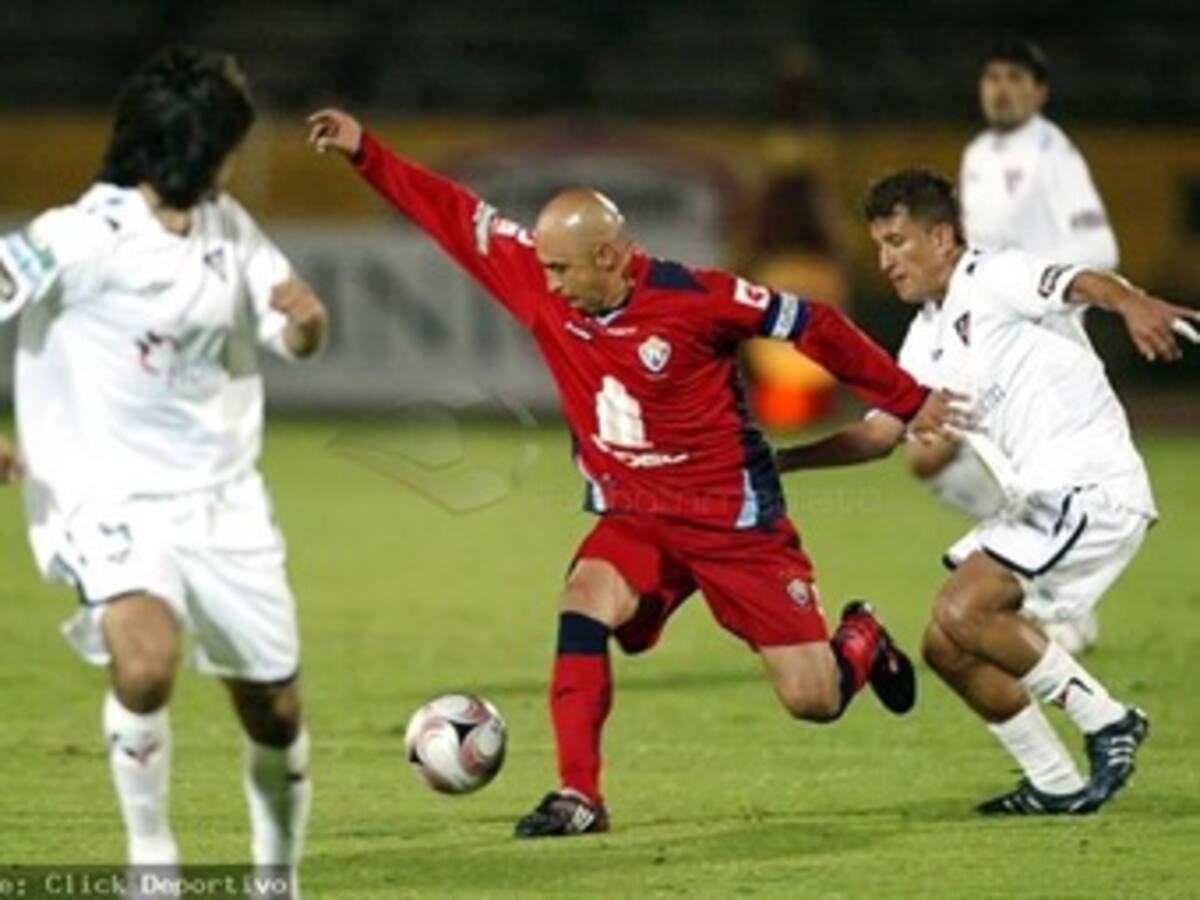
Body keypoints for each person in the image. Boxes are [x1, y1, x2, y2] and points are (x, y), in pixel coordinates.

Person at [307, 108, 948, 838]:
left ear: (609, 257)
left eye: (560, 268)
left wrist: (906, 398)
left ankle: (861, 636)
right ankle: (580, 795)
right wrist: (365, 151)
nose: (544, 283)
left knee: (814, 699)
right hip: (637, 515)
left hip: (733, 523)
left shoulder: (699, 299)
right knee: (584, 600)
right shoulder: (539, 279)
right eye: (541, 265)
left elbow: (816, 327)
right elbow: (453, 213)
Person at [0, 48, 328, 891]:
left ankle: (275, 874)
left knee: (275, 708)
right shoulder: (77, 236)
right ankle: (152, 860)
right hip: (102, 491)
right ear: (194, 145)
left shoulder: (229, 231)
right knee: (144, 665)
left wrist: (305, 323)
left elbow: (291, 326)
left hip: (223, 501)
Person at [777, 169, 1199, 814]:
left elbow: (1078, 282)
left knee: (963, 611)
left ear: (942, 237)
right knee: (944, 647)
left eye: (898, 241)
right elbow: (879, 433)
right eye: (879, 246)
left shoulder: (995, 276)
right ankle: (1054, 780)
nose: (886, 261)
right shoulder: (925, 337)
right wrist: (779, 462)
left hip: (1090, 484)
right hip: (1039, 501)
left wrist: (1133, 302)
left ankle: (1108, 720)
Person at [936, 37, 1120, 653]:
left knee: (1042, 477)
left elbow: (1100, 253)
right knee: (931, 451)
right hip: (982, 337)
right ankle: (1022, 555)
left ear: (1039, 92)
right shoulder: (979, 154)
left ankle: (1066, 607)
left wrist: (1033, 287)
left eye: (1015, 78)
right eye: (993, 77)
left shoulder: (1054, 156)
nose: (1001, 88)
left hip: (1040, 343)